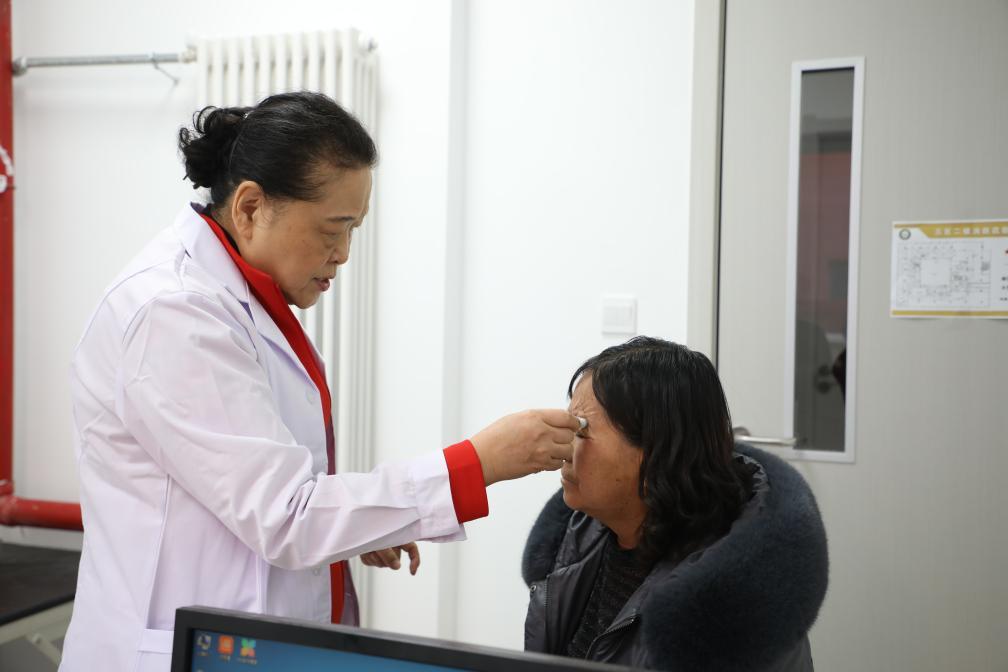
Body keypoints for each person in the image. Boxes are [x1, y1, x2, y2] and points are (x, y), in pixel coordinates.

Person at [60, 92, 579, 672]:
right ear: (251, 207)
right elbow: (286, 516)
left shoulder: (238, 301)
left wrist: (362, 527)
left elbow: (266, 488)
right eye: (333, 229)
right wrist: (477, 463)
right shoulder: (172, 313)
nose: (343, 254)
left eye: (354, 229)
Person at [522, 337, 828, 671]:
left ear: (659, 452)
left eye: (581, 432)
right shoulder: (575, 543)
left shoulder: (739, 606)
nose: (563, 450)